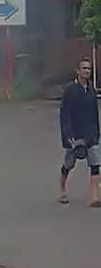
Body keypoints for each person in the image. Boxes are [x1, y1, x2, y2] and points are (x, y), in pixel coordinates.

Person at [58, 57, 101, 206]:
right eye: (84, 68)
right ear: (78, 71)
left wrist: (97, 132)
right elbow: (65, 115)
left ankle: (94, 197)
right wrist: (68, 135)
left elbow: (95, 113)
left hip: (90, 134)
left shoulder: (91, 90)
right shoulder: (70, 90)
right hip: (75, 135)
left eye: (89, 68)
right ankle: (62, 190)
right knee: (68, 165)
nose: (87, 71)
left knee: (95, 164)